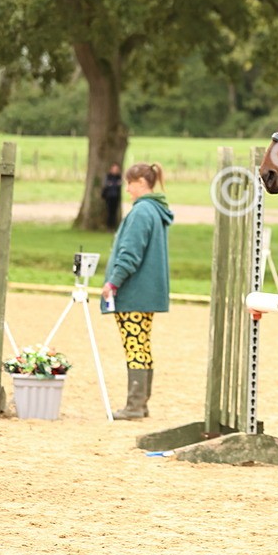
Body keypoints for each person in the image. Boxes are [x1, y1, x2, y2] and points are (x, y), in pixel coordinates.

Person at [100, 163, 174, 420]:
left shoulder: (141, 211)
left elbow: (129, 254)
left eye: (130, 183)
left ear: (142, 182)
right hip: (146, 293)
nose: (127, 188)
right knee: (141, 346)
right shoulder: (155, 209)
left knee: (134, 347)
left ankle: (134, 405)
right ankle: (140, 404)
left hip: (134, 293)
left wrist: (113, 282)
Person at [101, 163, 123, 230]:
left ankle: (113, 226)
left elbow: (117, 185)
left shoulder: (118, 177)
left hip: (116, 197)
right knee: (109, 212)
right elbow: (107, 185)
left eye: (116, 169)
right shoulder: (108, 176)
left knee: (114, 212)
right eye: (114, 169)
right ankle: (109, 227)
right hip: (109, 197)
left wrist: (113, 184)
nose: (115, 171)